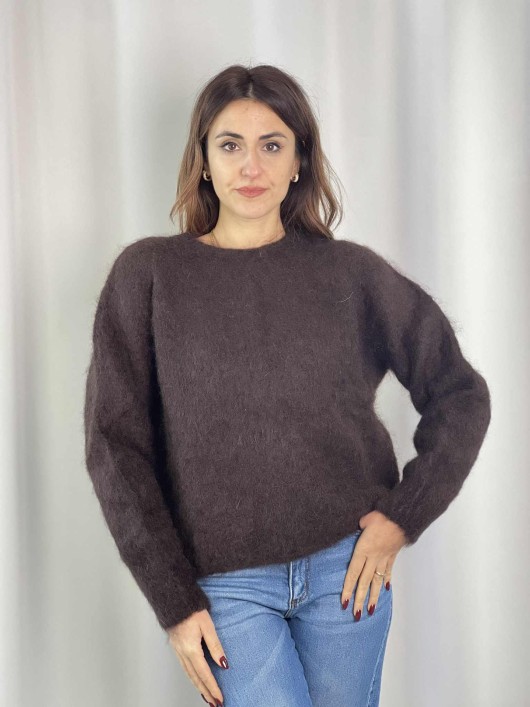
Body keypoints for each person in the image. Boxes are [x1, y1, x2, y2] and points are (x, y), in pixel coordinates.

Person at [83, 63, 491, 707]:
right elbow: (115, 447)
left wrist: (402, 517)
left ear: (299, 160)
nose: (251, 166)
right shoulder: (149, 275)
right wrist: (174, 600)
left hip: (345, 573)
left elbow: (460, 394)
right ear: (203, 160)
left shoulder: (351, 274)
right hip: (226, 584)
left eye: (272, 145)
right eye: (230, 145)